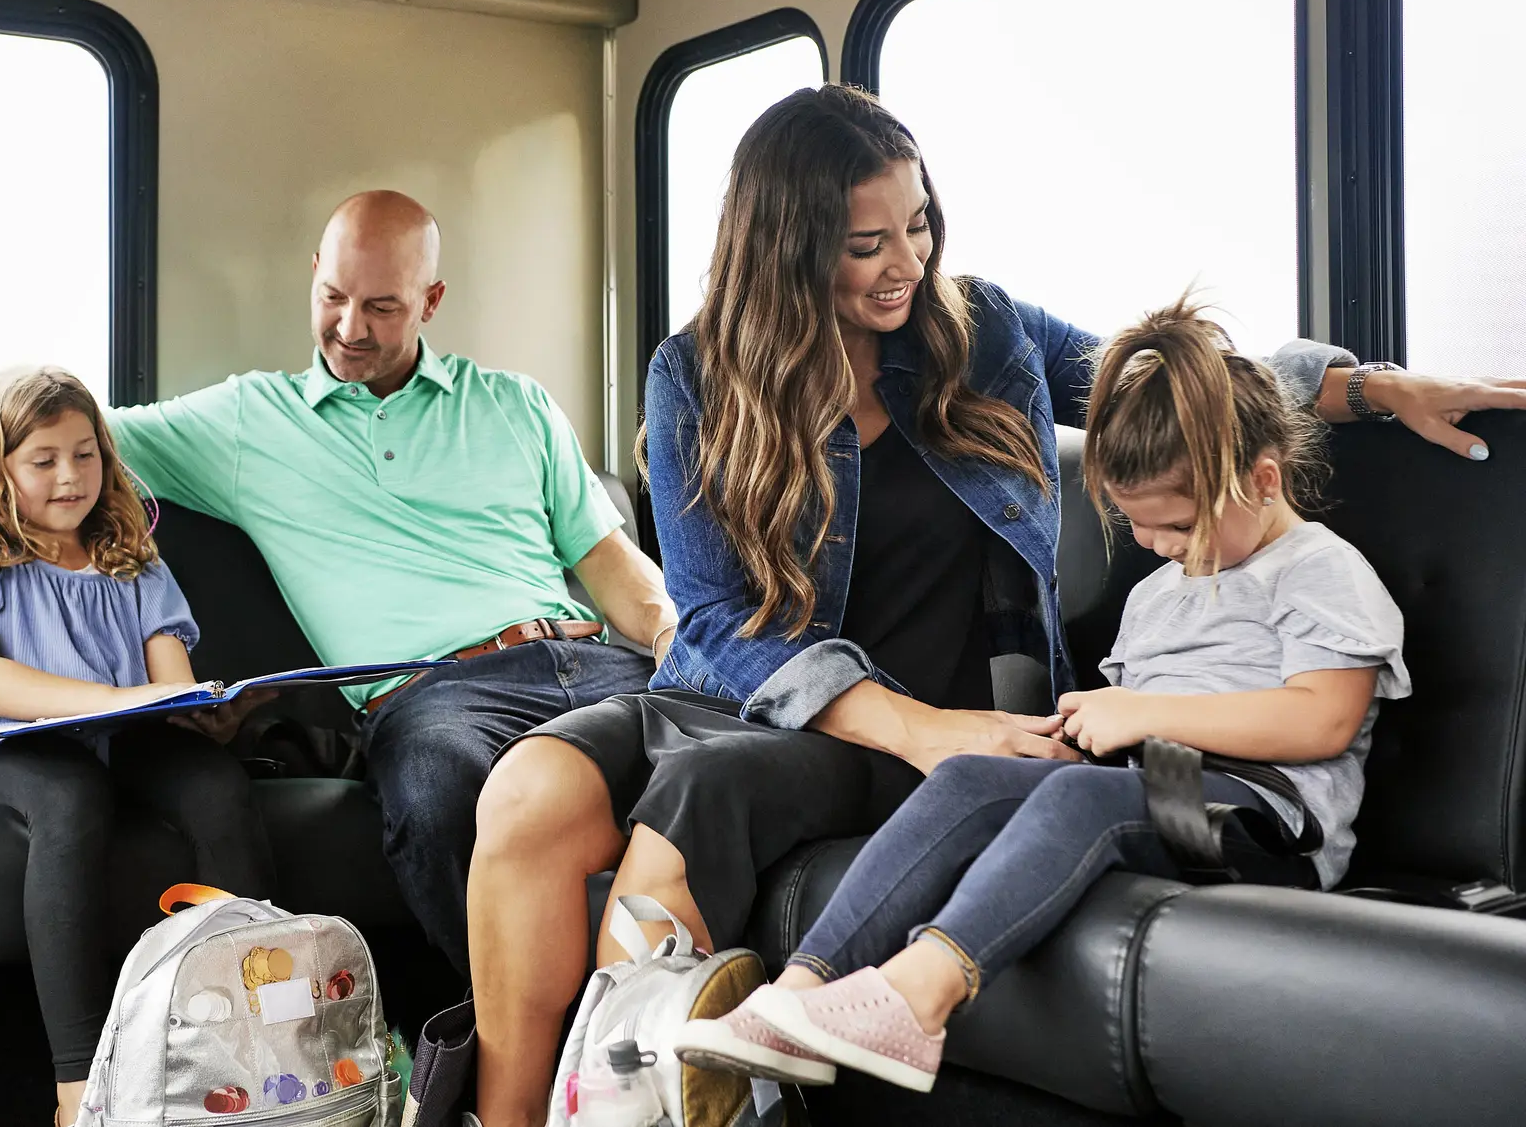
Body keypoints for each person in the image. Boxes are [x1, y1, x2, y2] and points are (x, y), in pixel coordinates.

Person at [464, 84, 1526, 1127]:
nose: (906, 263)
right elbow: (707, 616)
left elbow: (1175, 389)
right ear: (783, 246)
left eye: (917, 224)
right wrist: (914, 729)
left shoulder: (982, 332)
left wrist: (1372, 387)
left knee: (684, 822)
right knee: (523, 794)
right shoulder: (694, 373)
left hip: (940, 716)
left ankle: (640, 1093)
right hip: (758, 694)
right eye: (863, 243)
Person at [0, 191, 677, 979]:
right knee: (435, 797)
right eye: (334, 295)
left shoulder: (516, 405)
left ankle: (671, 1004)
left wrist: (678, 638)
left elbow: (614, 572)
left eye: (382, 308)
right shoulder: (246, 422)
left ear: (430, 300)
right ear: (313, 272)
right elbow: (52, 430)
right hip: (433, 695)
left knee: (714, 765)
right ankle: (548, 1038)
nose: (349, 328)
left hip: (590, 661)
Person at [671, 299, 1409, 1090]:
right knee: (968, 777)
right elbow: (1125, 739)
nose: (1158, 547)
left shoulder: (1318, 567)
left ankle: (917, 999)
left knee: (1077, 802)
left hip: (1262, 823)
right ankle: (797, 998)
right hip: (1154, 791)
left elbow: (1322, 718)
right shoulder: (1159, 594)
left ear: (1263, 480)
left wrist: (1141, 715)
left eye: (1177, 525)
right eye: (1142, 529)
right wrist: (1073, 734)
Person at [0, 365, 272, 1127]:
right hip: (17, 750)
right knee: (74, 798)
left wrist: (203, 713)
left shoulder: (132, 554)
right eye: (43, 460)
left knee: (217, 784)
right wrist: (115, 700)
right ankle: (76, 1085)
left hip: (128, 735)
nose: (70, 476)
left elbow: (167, 681)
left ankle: (253, 1038)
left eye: (85, 454)